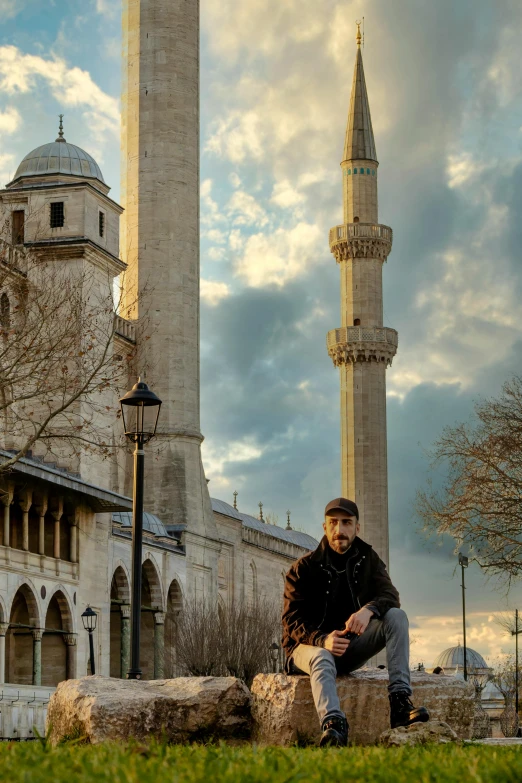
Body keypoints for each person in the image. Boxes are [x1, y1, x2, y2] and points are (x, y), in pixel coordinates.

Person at [282, 497, 429, 747]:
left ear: (357, 527)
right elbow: (291, 621)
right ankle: (334, 725)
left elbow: (391, 596)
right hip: (307, 648)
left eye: (347, 523)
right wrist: (322, 639)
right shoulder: (303, 568)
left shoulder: (368, 559)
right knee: (321, 656)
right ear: (325, 527)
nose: (340, 530)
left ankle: (400, 704)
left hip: (349, 648)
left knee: (396, 616)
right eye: (334, 523)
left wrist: (368, 610)